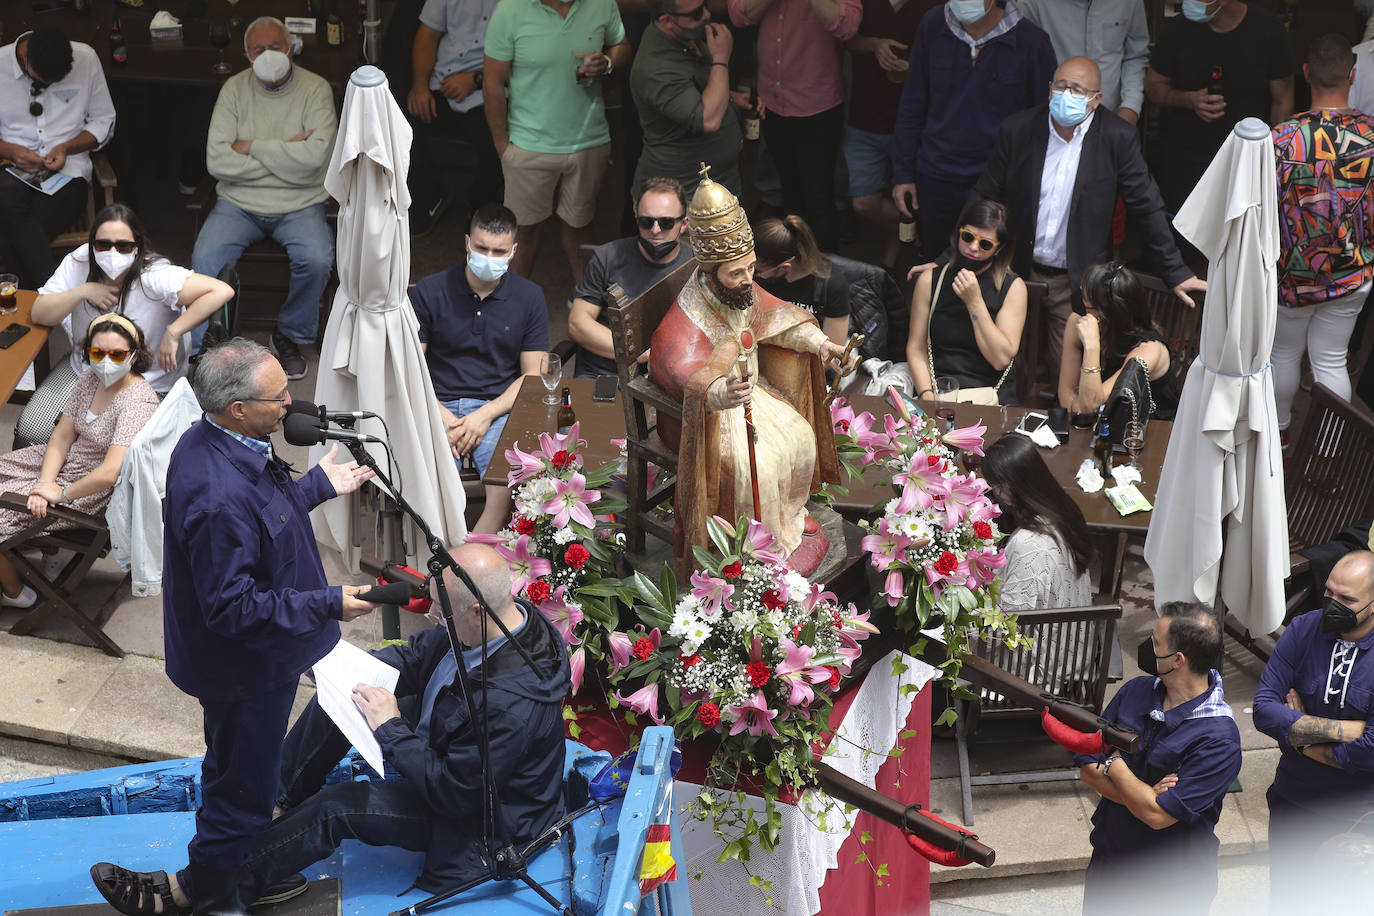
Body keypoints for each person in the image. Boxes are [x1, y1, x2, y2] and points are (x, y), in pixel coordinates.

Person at [90, 542, 570, 914]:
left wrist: (392, 730)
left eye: (445, 612)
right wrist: (344, 673)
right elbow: (418, 657)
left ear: (476, 612)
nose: (437, 619)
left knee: (338, 809)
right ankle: (275, 810)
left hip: (477, 820)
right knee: (341, 700)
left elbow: (457, 794)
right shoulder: (496, 625)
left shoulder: (509, 703)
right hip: (449, 753)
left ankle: (196, 889)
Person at [135, 338, 376, 912]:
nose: (292, 404)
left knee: (239, 773)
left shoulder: (226, 444)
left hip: (257, 660)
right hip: (243, 668)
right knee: (243, 785)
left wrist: (317, 486)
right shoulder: (215, 491)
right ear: (238, 407)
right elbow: (232, 606)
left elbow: (262, 521)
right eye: (279, 397)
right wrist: (327, 602)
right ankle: (220, 897)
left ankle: (221, 878)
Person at [648, 167, 853, 576]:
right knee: (754, 463)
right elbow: (673, 364)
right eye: (736, 273)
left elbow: (779, 321)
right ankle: (748, 544)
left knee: (798, 435)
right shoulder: (691, 312)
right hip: (709, 414)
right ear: (711, 272)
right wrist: (718, 393)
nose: (748, 280)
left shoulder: (739, 288)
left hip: (750, 396)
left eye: (750, 268)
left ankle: (788, 524)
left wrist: (825, 347)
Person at [968, 56, 1204, 373]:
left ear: (1096, 99)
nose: (1066, 95)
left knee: (1065, 375)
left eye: (1077, 90)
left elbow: (1146, 206)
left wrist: (1175, 271)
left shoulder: (1117, 137)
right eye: (1060, 86)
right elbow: (986, 195)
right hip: (1016, 273)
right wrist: (952, 255)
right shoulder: (1019, 129)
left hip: (1075, 282)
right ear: (1049, 90)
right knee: (1005, 366)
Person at [191, 16, 339, 381]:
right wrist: (286, 153)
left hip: (300, 203)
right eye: (260, 49)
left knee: (317, 259)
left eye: (276, 46)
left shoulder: (316, 89)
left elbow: (316, 160)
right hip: (237, 203)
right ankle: (208, 346)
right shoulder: (234, 89)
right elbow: (217, 161)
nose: (269, 54)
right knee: (205, 258)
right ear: (246, 54)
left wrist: (251, 148)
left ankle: (288, 335)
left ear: (291, 47)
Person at [1073, 602, 1242, 914]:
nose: (1146, 648)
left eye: (1155, 642)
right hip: (1110, 863)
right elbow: (1087, 768)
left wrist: (1114, 762)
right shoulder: (1137, 690)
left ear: (1177, 660)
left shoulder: (1219, 741)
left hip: (1172, 888)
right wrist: (1147, 795)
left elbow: (1157, 817)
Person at [19, 204, 232, 449]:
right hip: (87, 370)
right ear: (92, 246)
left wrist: (175, 331)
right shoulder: (78, 263)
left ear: (137, 247)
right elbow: (40, 313)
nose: (112, 252)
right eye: (102, 244)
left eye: (123, 245)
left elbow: (220, 290)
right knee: (31, 432)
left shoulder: (155, 276)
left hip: (148, 381)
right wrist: (82, 291)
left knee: (125, 450)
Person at [0, 314, 158, 609]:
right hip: (64, 464)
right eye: (97, 353)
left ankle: (14, 592)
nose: (106, 360)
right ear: (88, 352)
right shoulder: (89, 378)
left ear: (134, 355)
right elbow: (61, 435)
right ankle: (46, 549)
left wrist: (59, 493)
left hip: (88, 488)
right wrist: (45, 481)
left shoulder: (137, 402)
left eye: (117, 354)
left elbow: (110, 472)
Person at [411, 204, 549, 533]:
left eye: (499, 251)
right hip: (435, 403)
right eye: (481, 247)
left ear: (514, 251)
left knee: (505, 488)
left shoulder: (529, 298)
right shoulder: (431, 291)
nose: (489, 256)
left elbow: (533, 376)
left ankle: (474, 563)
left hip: (499, 406)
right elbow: (411, 366)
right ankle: (440, 551)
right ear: (467, 243)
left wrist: (483, 415)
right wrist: (443, 416)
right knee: (429, 484)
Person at [1252, 550, 1374, 910]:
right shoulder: (1304, 629)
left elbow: (1371, 751)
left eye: (1347, 599)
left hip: (1357, 818)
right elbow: (1263, 711)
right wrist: (1351, 730)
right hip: (1293, 800)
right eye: (1330, 593)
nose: (1333, 604)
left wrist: (1302, 742)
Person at [891, 0, 1056, 261]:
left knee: (991, 269)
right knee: (936, 265)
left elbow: (1042, 123)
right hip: (935, 176)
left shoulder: (1032, 42)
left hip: (998, 184)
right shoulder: (932, 26)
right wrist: (903, 173)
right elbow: (912, 103)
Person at [1272, 34, 1374, 444]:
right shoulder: (1371, 137)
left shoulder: (1280, 139)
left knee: (1282, 355)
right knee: (1331, 360)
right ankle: (1327, 458)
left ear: (1306, 73)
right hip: (1353, 272)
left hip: (1291, 274)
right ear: (1352, 75)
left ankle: (1277, 448)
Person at [483, 0, 630, 283]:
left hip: (589, 141)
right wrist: (503, 147)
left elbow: (622, 44)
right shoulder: (511, 9)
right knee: (523, 232)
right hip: (528, 145)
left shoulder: (601, 4)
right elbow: (493, 82)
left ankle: (585, 302)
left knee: (581, 226)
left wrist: (608, 62)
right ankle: (513, 306)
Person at [728, 0, 861, 253]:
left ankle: (823, 275)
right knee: (789, 194)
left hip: (818, 105)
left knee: (819, 198)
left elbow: (848, 26)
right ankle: (795, 267)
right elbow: (738, 14)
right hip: (773, 102)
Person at [1145, 0, 1294, 215]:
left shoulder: (1268, 31)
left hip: (1245, 165)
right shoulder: (1176, 30)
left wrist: (1271, 162)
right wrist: (1188, 100)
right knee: (1183, 241)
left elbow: (1283, 101)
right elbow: (1153, 87)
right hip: (1186, 164)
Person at [0, 27, 116, 290]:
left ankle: (38, 306)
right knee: (6, 198)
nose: (47, 87)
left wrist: (67, 147)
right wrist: (10, 151)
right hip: (11, 171)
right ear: (25, 55)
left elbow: (104, 121)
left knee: (8, 236)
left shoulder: (86, 58)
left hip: (68, 173)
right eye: (43, 81)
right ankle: (54, 298)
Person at [844, 0, 939, 270]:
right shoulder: (864, 3)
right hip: (866, 118)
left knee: (909, 199)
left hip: (917, 125)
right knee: (863, 202)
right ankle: (918, 237)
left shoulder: (938, 7)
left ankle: (890, 267)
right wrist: (875, 45)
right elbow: (844, 39)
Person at [569, 178, 694, 380]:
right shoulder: (607, 257)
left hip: (671, 374)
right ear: (636, 219)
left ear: (683, 224)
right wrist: (639, 354)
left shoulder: (697, 267)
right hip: (604, 372)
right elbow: (578, 324)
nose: (655, 230)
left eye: (666, 222)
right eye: (646, 222)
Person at [906, 201, 1027, 406]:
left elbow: (1000, 359)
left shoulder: (1012, 288)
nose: (973, 247)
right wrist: (926, 394)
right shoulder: (931, 280)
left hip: (990, 396)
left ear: (999, 249)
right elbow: (916, 347)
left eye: (985, 244)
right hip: (939, 388)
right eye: (967, 237)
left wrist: (975, 302)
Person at [405, 0, 504, 235]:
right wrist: (420, 86)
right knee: (401, 129)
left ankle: (480, 205)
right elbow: (427, 36)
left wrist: (475, 79)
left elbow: (527, 60)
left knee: (495, 140)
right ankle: (432, 196)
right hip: (442, 81)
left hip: (489, 86)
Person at [631, 0, 745, 197]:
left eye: (706, 4)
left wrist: (733, 98)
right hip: (683, 196)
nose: (707, 15)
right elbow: (708, 119)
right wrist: (721, 59)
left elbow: (693, 90)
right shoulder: (655, 68)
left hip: (718, 184)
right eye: (697, 13)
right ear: (667, 20)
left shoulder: (684, 34)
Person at [982, 433, 1092, 610]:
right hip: (1074, 622)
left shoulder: (1026, 545)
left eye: (993, 485)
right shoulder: (1062, 505)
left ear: (1006, 487)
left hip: (1043, 635)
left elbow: (1009, 619)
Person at [1059, 262, 1180, 417]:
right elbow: (1066, 393)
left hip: (1148, 430)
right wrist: (1082, 416)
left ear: (1106, 313)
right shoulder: (1077, 322)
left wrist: (1091, 347)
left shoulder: (1148, 349)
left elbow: (1092, 403)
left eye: (1087, 306)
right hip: (1099, 426)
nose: (1082, 312)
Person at [1021, 0, 1150, 124]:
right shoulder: (1034, 3)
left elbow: (1135, 56)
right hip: (1051, 119)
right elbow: (1022, 62)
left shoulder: (1128, 2)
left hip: (1110, 117)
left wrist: (1130, 107)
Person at [753, 215, 850, 348]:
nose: (751, 274)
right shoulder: (757, 279)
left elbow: (833, 354)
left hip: (812, 361)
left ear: (784, 267)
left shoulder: (832, 285)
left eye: (757, 270)